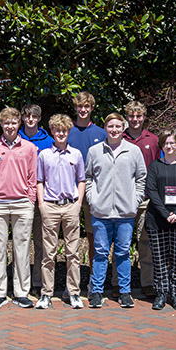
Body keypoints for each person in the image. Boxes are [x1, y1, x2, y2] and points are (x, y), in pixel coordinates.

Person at [85, 112, 146, 309]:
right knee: (100, 253)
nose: (114, 130)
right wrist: (92, 200)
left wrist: (134, 201)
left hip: (125, 213)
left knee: (122, 253)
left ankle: (124, 292)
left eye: (118, 126)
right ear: (105, 128)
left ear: (123, 128)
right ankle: (96, 292)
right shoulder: (95, 151)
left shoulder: (134, 151)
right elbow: (88, 178)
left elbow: (140, 178)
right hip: (100, 213)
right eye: (111, 126)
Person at [0, 107, 39, 308]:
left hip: (22, 203)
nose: (10, 126)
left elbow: (33, 176)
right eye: (6, 122)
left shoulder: (30, 148)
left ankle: (21, 292)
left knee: (21, 249)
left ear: (19, 124)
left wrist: (30, 199)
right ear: (1, 124)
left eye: (13, 122)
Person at [36, 114, 86, 309]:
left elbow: (81, 179)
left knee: (72, 252)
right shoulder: (44, 155)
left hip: (70, 205)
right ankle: (46, 294)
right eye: (57, 130)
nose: (60, 133)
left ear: (68, 131)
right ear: (52, 131)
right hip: (50, 205)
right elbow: (39, 181)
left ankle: (73, 292)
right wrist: (42, 204)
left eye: (64, 130)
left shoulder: (76, 154)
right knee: (48, 253)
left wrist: (78, 203)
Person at [144, 130, 176, 310]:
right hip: (157, 219)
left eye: (173, 143)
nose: (169, 146)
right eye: (166, 143)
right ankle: (161, 293)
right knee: (159, 259)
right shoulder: (154, 166)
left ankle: (175, 293)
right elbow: (151, 190)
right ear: (161, 145)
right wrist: (165, 213)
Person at [68, 92, 107, 287]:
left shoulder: (101, 133)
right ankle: (71, 281)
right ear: (75, 108)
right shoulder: (67, 131)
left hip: (94, 193)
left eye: (87, 106)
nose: (83, 110)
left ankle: (94, 279)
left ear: (92, 108)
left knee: (94, 237)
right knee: (71, 238)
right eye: (80, 106)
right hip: (70, 193)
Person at [123, 101, 159, 298]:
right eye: (131, 116)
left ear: (144, 117)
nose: (135, 120)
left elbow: (157, 169)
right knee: (121, 243)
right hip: (122, 200)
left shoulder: (152, 140)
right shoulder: (119, 138)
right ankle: (118, 284)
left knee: (145, 243)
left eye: (138, 116)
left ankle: (147, 283)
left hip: (145, 200)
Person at [19, 104, 53, 295]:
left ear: (39, 119)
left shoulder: (48, 141)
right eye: (27, 116)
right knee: (21, 242)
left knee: (40, 243)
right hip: (21, 197)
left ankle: (38, 282)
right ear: (23, 118)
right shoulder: (16, 139)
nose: (30, 119)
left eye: (34, 116)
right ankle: (20, 282)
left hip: (42, 197)